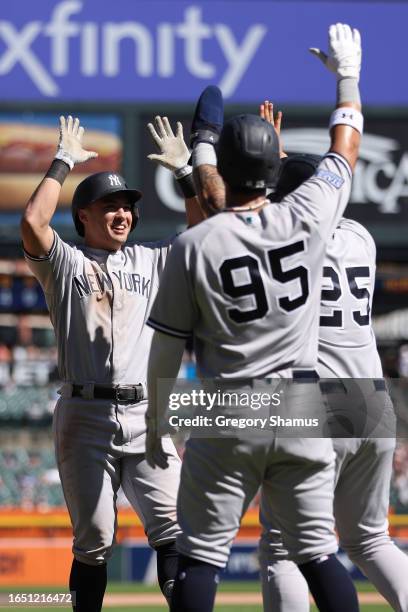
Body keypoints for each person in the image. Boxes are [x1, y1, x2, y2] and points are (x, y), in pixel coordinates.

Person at [145, 23, 363, 612]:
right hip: (301, 402)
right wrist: (349, 78)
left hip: (229, 403)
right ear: (275, 167)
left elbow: (165, 350)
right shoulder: (311, 216)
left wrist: (161, 421)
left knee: (199, 555)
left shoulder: (195, 244)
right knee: (319, 554)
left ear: (220, 170)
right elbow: (344, 149)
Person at [20, 114, 201, 611]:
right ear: (83, 216)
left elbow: (209, 234)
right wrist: (61, 163)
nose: (122, 214)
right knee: (95, 540)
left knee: (175, 529)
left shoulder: (151, 260)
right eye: (109, 206)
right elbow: (34, 223)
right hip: (86, 416)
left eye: (126, 207)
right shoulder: (66, 265)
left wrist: (187, 173)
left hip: (148, 415)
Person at [258, 148, 408, 612]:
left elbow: (246, 220)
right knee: (370, 539)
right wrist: (291, 171)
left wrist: (263, 167)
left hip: (315, 399)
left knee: (283, 548)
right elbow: (317, 197)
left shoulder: (282, 241)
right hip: (370, 396)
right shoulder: (362, 237)